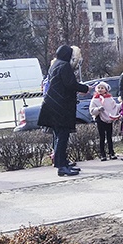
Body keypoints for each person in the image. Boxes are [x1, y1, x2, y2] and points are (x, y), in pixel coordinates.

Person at [37, 45, 89, 176]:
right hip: (61, 108)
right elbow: (70, 84)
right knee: (62, 137)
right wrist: (85, 88)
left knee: (59, 136)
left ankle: (62, 162)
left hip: (52, 106)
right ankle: (62, 167)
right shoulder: (64, 66)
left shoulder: (55, 65)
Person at [89, 81, 120, 160]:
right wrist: (98, 109)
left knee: (109, 136)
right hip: (100, 119)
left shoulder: (110, 99)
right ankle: (102, 154)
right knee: (102, 137)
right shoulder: (95, 99)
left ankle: (111, 152)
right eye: (98, 88)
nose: (100, 89)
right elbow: (91, 110)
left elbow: (114, 107)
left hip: (108, 119)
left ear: (106, 89)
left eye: (102, 88)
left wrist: (120, 106)